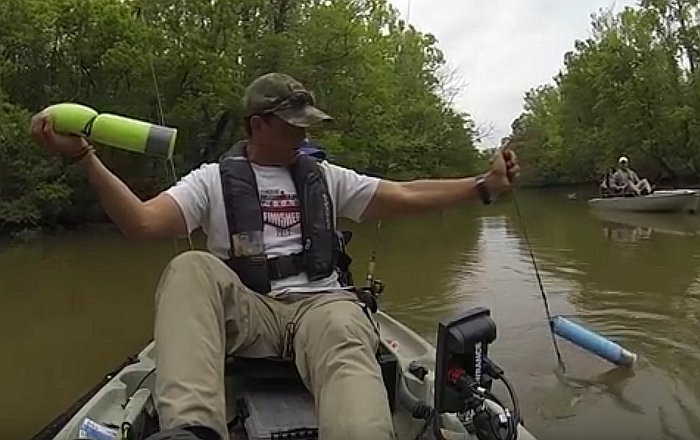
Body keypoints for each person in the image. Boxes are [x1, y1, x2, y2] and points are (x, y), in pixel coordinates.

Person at [29, 72, 520, 440]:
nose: (304, 135)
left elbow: (408, 195)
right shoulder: (211, 181)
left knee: (346, 324)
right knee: (189, 267)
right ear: (258, 124)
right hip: (252, 312)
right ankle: (192, 430)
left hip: (321, 309)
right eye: (293, 126)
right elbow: (140, 223)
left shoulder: (326, 178)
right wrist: (84, 158)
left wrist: (483, 186)